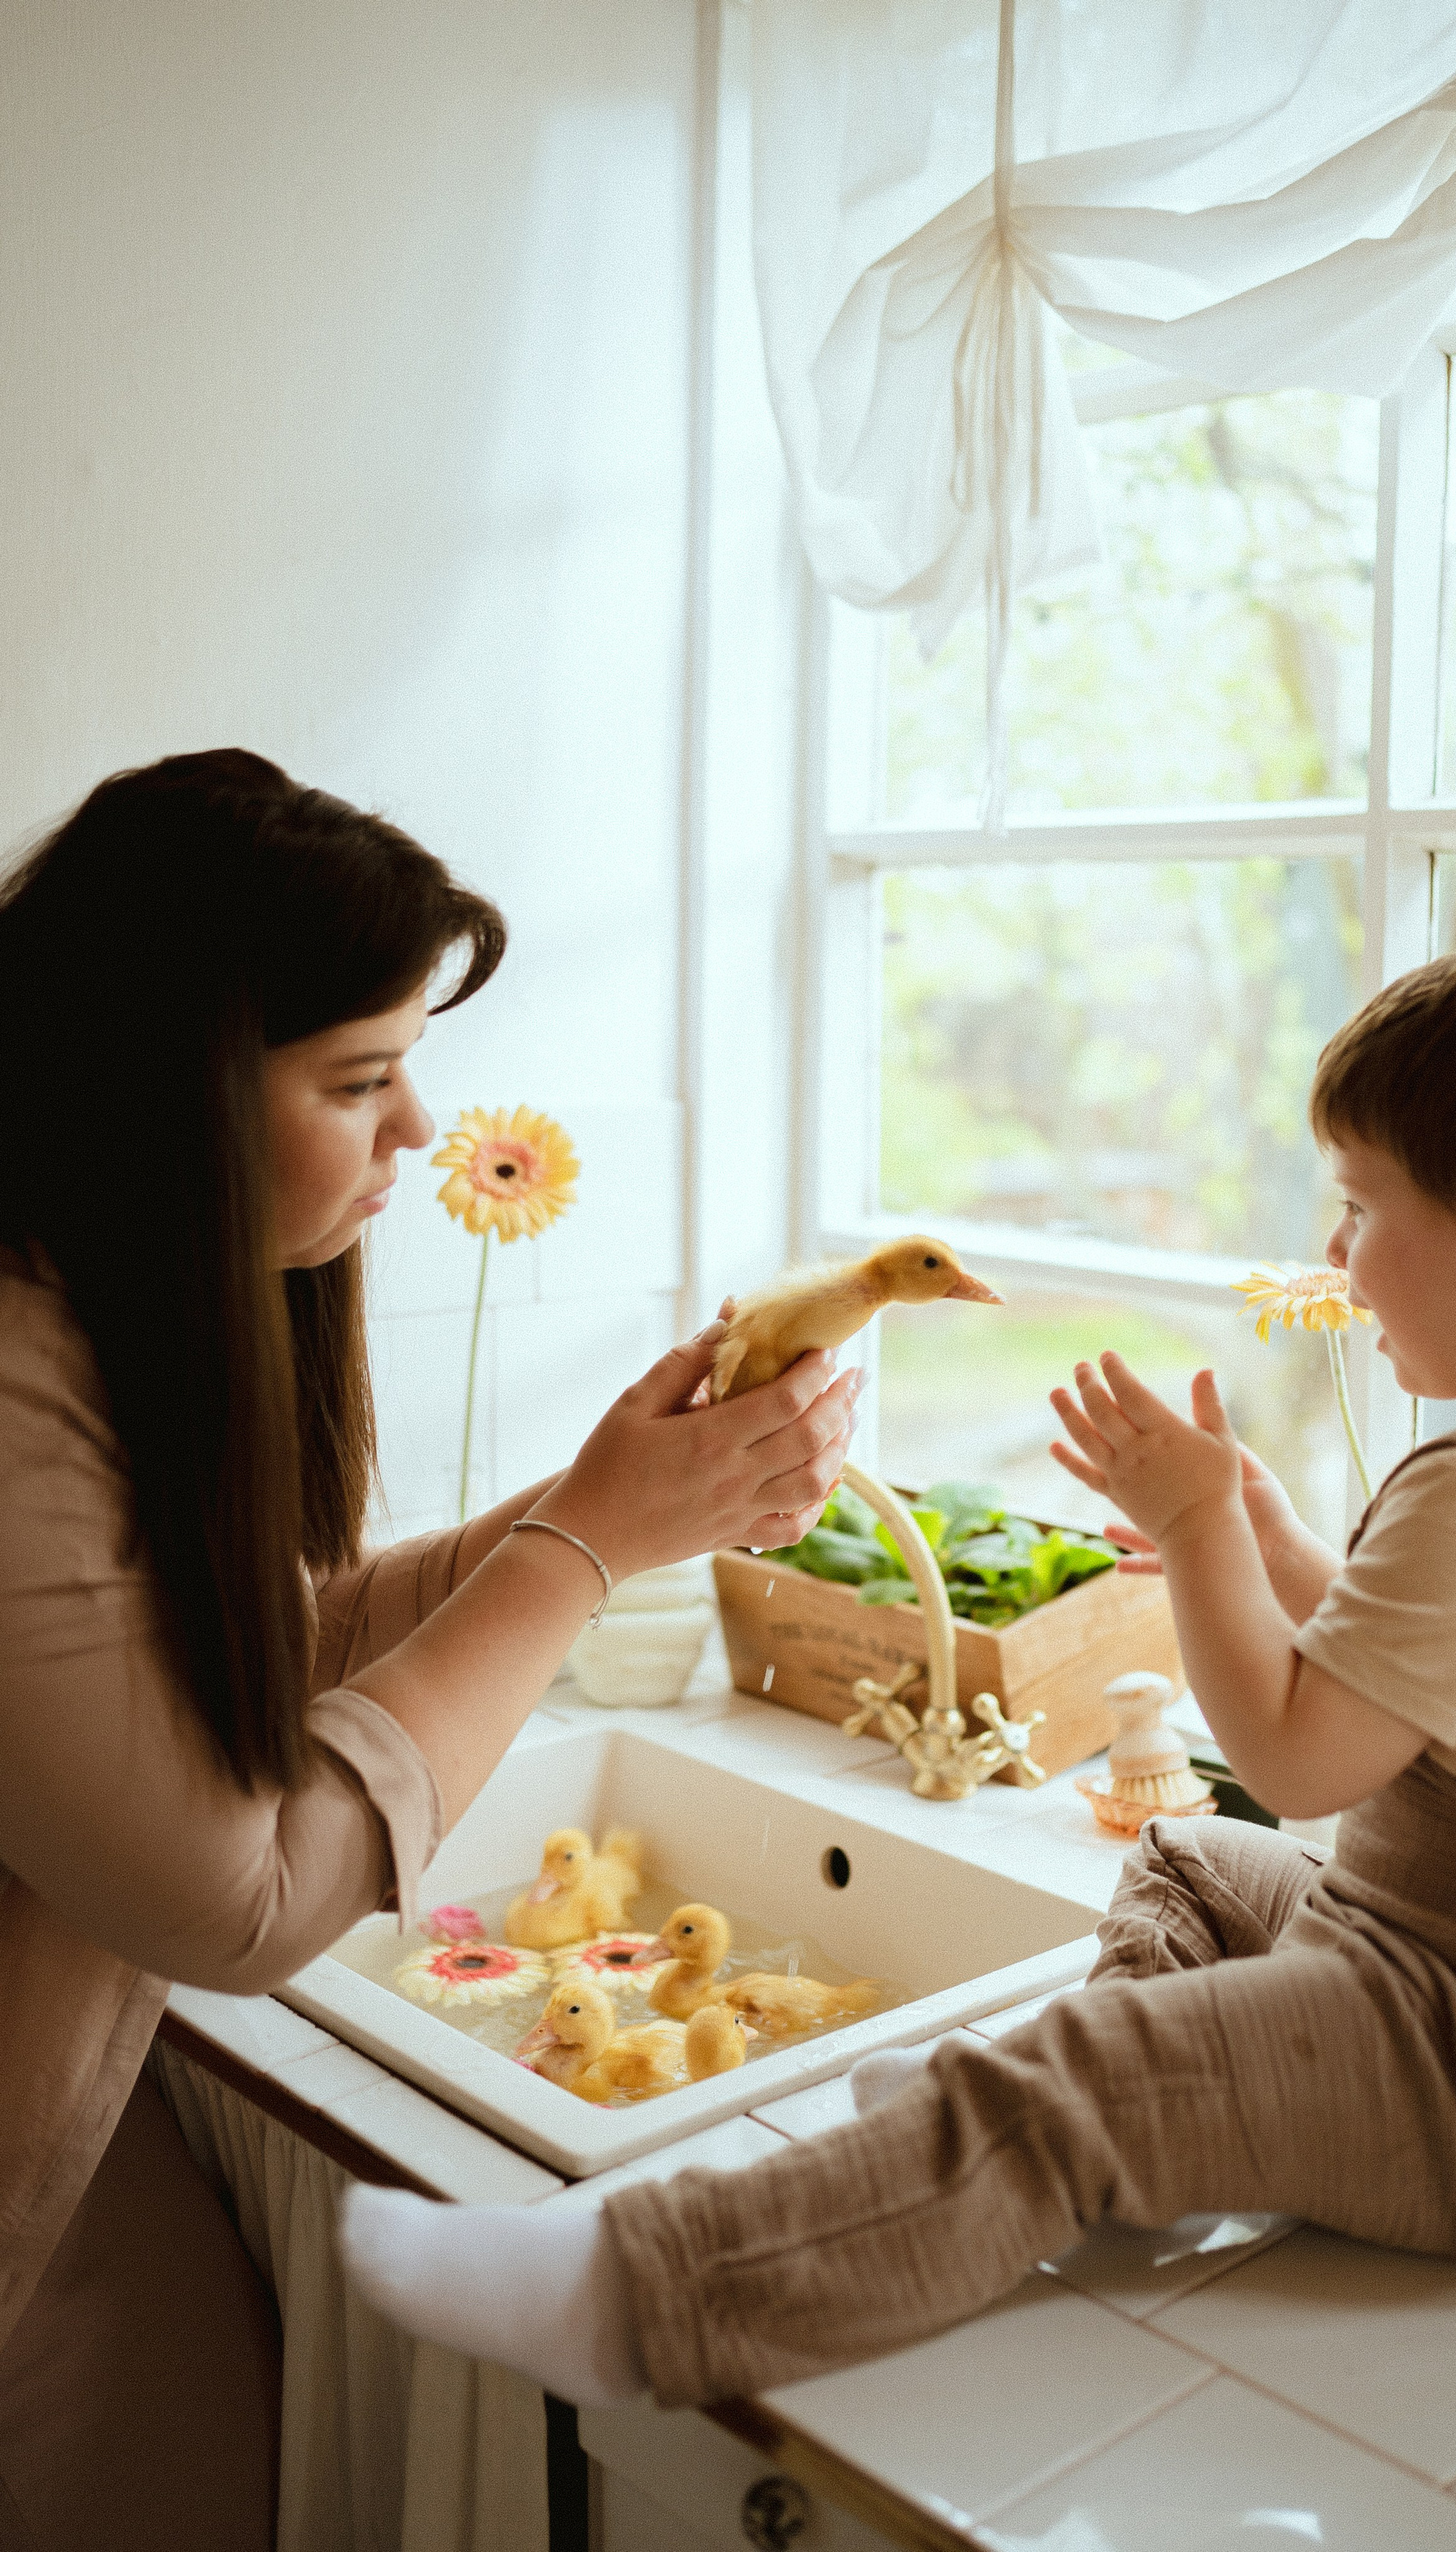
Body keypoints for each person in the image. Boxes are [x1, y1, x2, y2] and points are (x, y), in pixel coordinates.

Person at [343, 935, 1456, 2410]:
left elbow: (1304, 1760)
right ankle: (1162, 2152)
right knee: (1186, 1859)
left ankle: (640, 2297)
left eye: (1359, 1209)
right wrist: (1257, 1526)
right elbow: (1393, 1665)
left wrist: (1194, 1536)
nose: (1334, 1255)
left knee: (1072, 2084)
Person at [0, 749, 858, 2549]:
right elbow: (230, 1903)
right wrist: (580, 1550)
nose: (415, 1132)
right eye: (363, 1079)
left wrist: (595, 1508)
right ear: (171, 1098)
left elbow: (220, 1661)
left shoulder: (90, 1313)